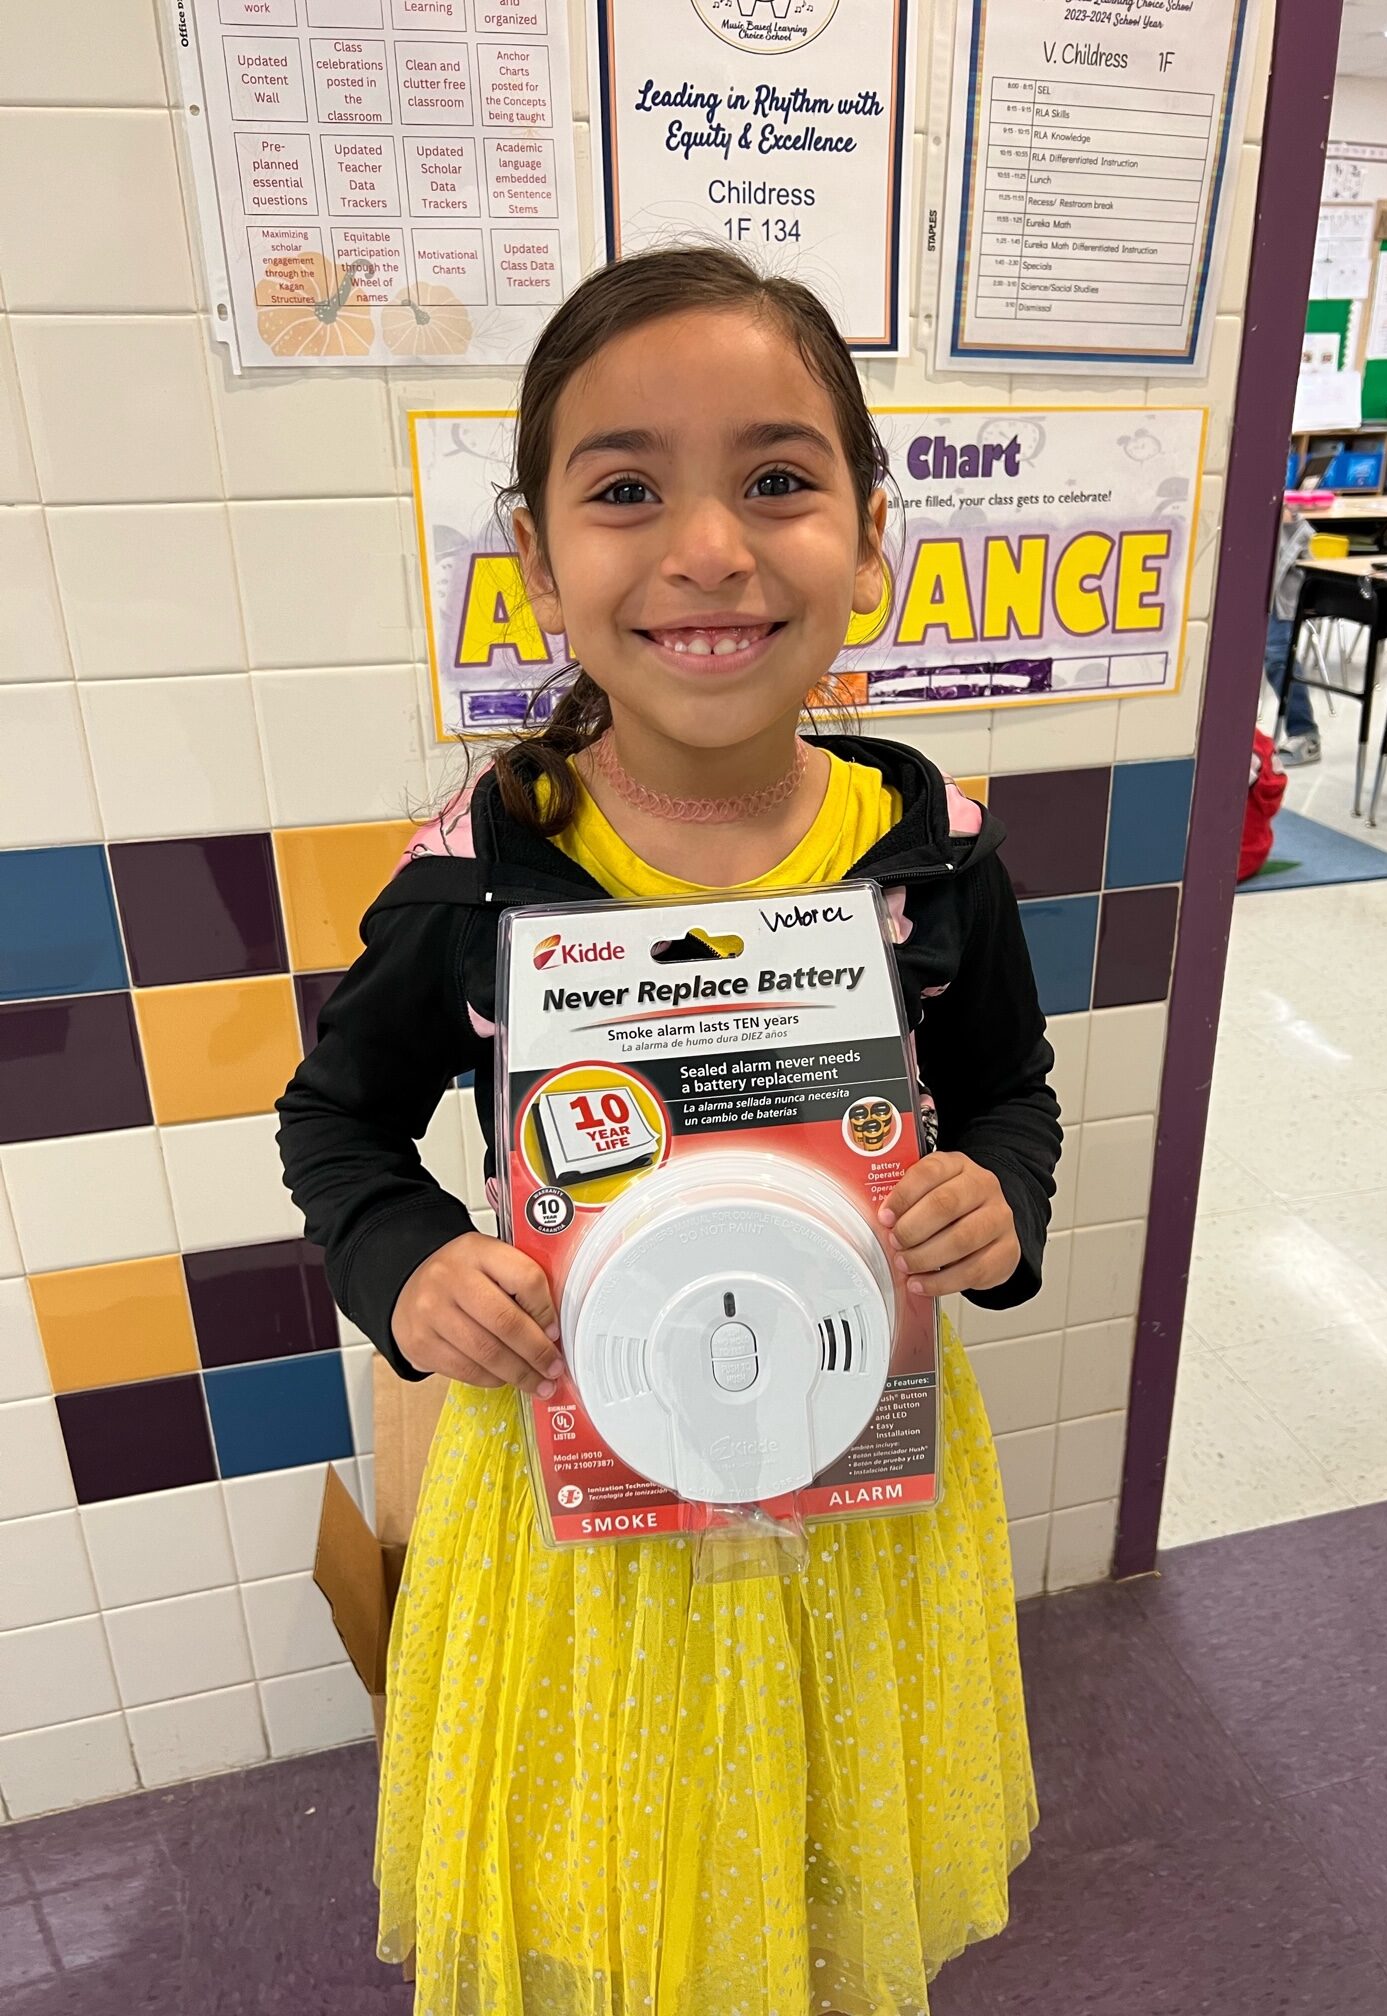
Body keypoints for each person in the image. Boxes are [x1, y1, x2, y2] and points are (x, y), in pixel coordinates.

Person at [277, 244, 1060, 2016]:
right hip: (581, 1513)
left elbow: (1008, 1090)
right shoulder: (481, 872)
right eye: (627, 490)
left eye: (777, 481)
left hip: (856, 1480)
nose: (709, 546)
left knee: (824, 1882)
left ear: (870, 539)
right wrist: (410, 1271)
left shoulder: (931, 844)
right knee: (615, 1899)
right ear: (539, 563)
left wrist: (995, 1202)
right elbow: (338, 1125)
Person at [1265, 502, 1320, 766]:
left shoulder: (1288, 518)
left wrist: (1286, 518)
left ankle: (1304, 733)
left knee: (1277, 656)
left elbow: (1293, 524)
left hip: (1274, 593)